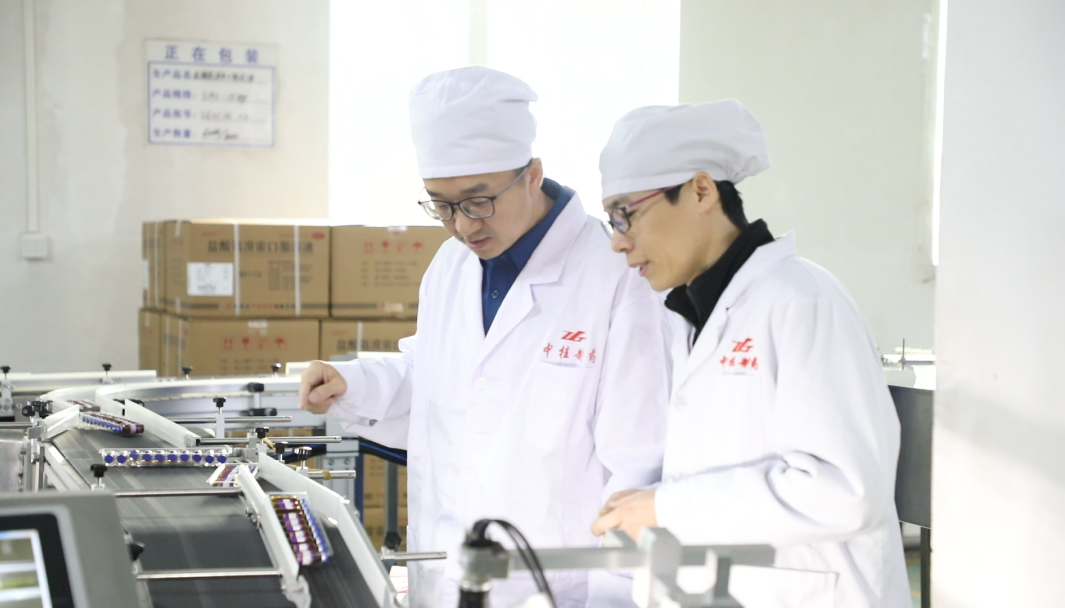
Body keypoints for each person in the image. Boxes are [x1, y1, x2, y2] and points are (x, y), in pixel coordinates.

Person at [299, 67, 670, 608]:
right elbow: (437, 382)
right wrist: (353, 384)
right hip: (446, 573)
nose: (464, 225)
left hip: (553, 586)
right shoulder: (451, 266)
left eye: (478, 200)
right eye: (442, 205)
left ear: (532, 175)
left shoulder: (615, 276)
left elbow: (637, 462)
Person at [590, 100, 910, 608]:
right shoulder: (690, 318)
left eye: (625, 215)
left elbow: (846, 490)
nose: (618, 242)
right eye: (611, 220)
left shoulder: (802, 300)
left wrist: (668, 507)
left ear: (701, 191)